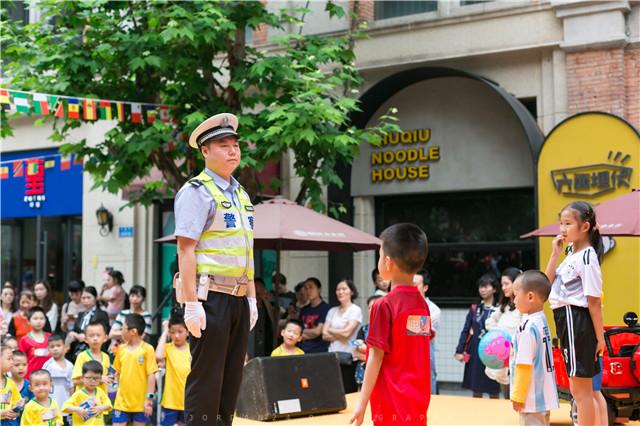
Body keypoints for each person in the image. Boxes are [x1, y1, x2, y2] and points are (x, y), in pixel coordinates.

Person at [173, 112, 258, 425]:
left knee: (231, 377)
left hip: (237, 297)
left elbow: (246, 252)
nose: (233, 151)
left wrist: (251, 298)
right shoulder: (196, 191)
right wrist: (191, 303)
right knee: (207, 379)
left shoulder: (241, 195)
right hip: (210, 298)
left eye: (235, 145)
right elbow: (185, 248)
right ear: (205, 151)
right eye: (223, 145)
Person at [350, 223, 431, 426]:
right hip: (417, 399)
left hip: (391, 400)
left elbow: (376, 358)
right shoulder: (421, 304)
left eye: (379, 255)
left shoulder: (383, 305)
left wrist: (361, 404)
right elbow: (411, 348)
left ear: (387, 262)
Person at [545, 201, 607, 426]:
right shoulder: (571, 252)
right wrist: (555, 254)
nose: (562, 228)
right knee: (582, 391)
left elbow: (594, 302)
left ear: (585, 226)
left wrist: (600, 338)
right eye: (561, 223)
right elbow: (546, 285)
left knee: (581, 392)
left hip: (576, 320)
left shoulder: (588, 257)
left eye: (568, 223)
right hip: (567, 320)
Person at [510, 270, 559, 425]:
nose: (513, 300)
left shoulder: (528, 327)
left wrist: (518, 395)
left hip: (530, 395)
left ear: (530, 297)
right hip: (543, 393)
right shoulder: (541, 320)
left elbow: (524, 364)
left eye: (516, 295)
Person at [454, 273, 501, 398]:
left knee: (494, 388)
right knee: (476, 388)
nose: (482, 289)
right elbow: (465, 330)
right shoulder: (475, 308)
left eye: (486, 286)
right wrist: (459, 350)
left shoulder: (500, 309)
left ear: (495, 289)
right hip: (475, 351)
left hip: (493, 354)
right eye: (481, 287)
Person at [112, 313, 158, 426]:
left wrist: (149, 399)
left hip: (141, 403)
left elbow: (151, 375)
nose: (121, 331)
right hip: (121, 403)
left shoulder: (148, 349)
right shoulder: (120, 349)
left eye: (123, 328)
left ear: (133, 331)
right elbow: (117, 373)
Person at [485, 267, 523, 396]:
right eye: (502, 285)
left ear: (517, 283)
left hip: (517, 359)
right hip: (502, 359)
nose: (503, 288)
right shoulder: (503, 307)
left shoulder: (523, 309)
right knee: (506, 395)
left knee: (516, 395)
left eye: (507, 284)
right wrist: (498, 335)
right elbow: (489, 322)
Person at [323, 279, 362, 393]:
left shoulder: (355, 310)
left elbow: (347, 333)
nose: (340, 292)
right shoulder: (332, 311)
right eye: (338, 289)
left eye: (344, 289)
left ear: (352, 292)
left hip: (349, 356)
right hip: (332, 356)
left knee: (348, 391)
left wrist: (331, 330)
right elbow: (324, 335)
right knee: (332, 391)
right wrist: (341, 333)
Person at [156, 316, 190, 426]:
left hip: (187, 401)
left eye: (180, 332)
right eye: (173, 332)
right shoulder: (168, 348)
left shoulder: (192, 349)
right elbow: (158, 356)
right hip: (170, 401)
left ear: (187, 332)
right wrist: (165, 331)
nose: (176, 336)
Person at [414, 269, 441, 394]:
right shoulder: (401, 304)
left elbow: (416, 332)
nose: (412, 288)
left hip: (424, 351)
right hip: (404, 353)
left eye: (416, 284)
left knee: (428, 381)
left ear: (425, 287)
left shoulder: (434, 309)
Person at [62, 360, 112, 425]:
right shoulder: (78, 394)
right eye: (89, 378)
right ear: (82, 378)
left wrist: (101, 408)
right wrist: (77, 409)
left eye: (96, 378)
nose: (93, 381)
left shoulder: (100, 392)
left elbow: (109, 405)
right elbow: (65, 407)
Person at [67, 287, 110, 359]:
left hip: (94, 350)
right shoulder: (81, 314)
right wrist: (72, 333)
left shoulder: (101, 314)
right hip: (78, 350)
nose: (85, 300)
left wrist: (85, 337)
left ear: (95, 298)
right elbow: (75, 329)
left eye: (88, 297)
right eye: (83, 298)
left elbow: (104, 333)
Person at [72, 321, 112, 393]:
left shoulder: (106, 357)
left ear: (105, 338)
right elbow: (75, 380)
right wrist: (98, 379)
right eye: (91, 336)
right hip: (84, 399)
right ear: (86, 339)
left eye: (98, 335)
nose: (95, 338)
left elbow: (107, 378)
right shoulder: (82, 357)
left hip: (101, 399)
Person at [43, 335, 73, 425]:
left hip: (65, 406)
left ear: (65, 347)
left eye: (58, 346)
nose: (55, 349)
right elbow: (42, 383)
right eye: (52, 346)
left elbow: (71, 387)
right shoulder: (48, 365)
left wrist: (71, 403)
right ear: (48, 349)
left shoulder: (70, 366)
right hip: (50, 407)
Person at [354, 295, 382, 390]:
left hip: (382, 376)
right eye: (369, 308)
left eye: (375, 307)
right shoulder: (364, 329)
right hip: (363, 375)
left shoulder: (389, 330)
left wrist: (366, 352)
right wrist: (376, 355)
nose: (371, 310)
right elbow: (357, 351)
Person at [298, 278, 331, 354]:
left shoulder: (326, 309)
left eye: (311, 287)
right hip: (302, 350)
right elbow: (298, 331)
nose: (308, 291)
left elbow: (317, 332)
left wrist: (302, 332)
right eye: (306, 289)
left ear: (319, 289)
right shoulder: (304, 310)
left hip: (319, 351)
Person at [248, 278, 278, 358]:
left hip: (265, 339)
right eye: (256, 287)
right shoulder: (248, 305)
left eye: (260, 288)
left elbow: (273, 321)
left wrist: (266, 301)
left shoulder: (267, 304)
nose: (258, 291)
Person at [18, 307, 51, 379]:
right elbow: (20, 360)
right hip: (30, 377)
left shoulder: (50, 338)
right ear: (28, 321)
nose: (39, 321)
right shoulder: (24, 340)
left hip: (49, 377)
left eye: (41, 318)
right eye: (35, 318)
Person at [0, 343, 21, 424]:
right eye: (9, 359)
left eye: (13, 359)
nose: (12, 362)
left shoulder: (11, 383)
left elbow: (17, 403)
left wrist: (16, 412)